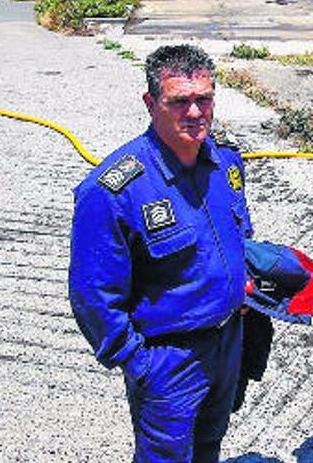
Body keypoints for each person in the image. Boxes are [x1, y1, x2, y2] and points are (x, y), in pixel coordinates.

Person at [68, 44, 252, 462]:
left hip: (227, 344)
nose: (194, 113)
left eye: (203, 99)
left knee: (209, 449)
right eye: (179, 102)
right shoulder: (112, 190)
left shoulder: (226, 161)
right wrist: (138, 363)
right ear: (151, 103)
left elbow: (240, 232)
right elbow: (92, 295)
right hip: (168, 361)